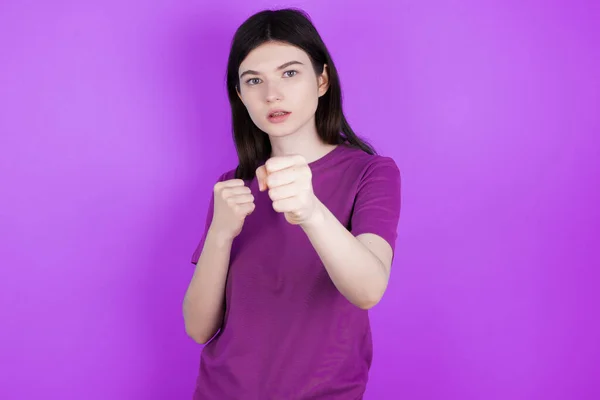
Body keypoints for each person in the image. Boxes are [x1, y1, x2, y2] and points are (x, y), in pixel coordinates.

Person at [183, 7, 401, 400]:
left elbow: (369, 289)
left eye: (289, 72)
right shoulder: (231, 187)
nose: (272, 94)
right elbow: (199, 328)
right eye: (254, 80)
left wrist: (311, 211)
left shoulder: (372, 173)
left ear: (321, 80)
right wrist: (220, 232)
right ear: (240, 94)